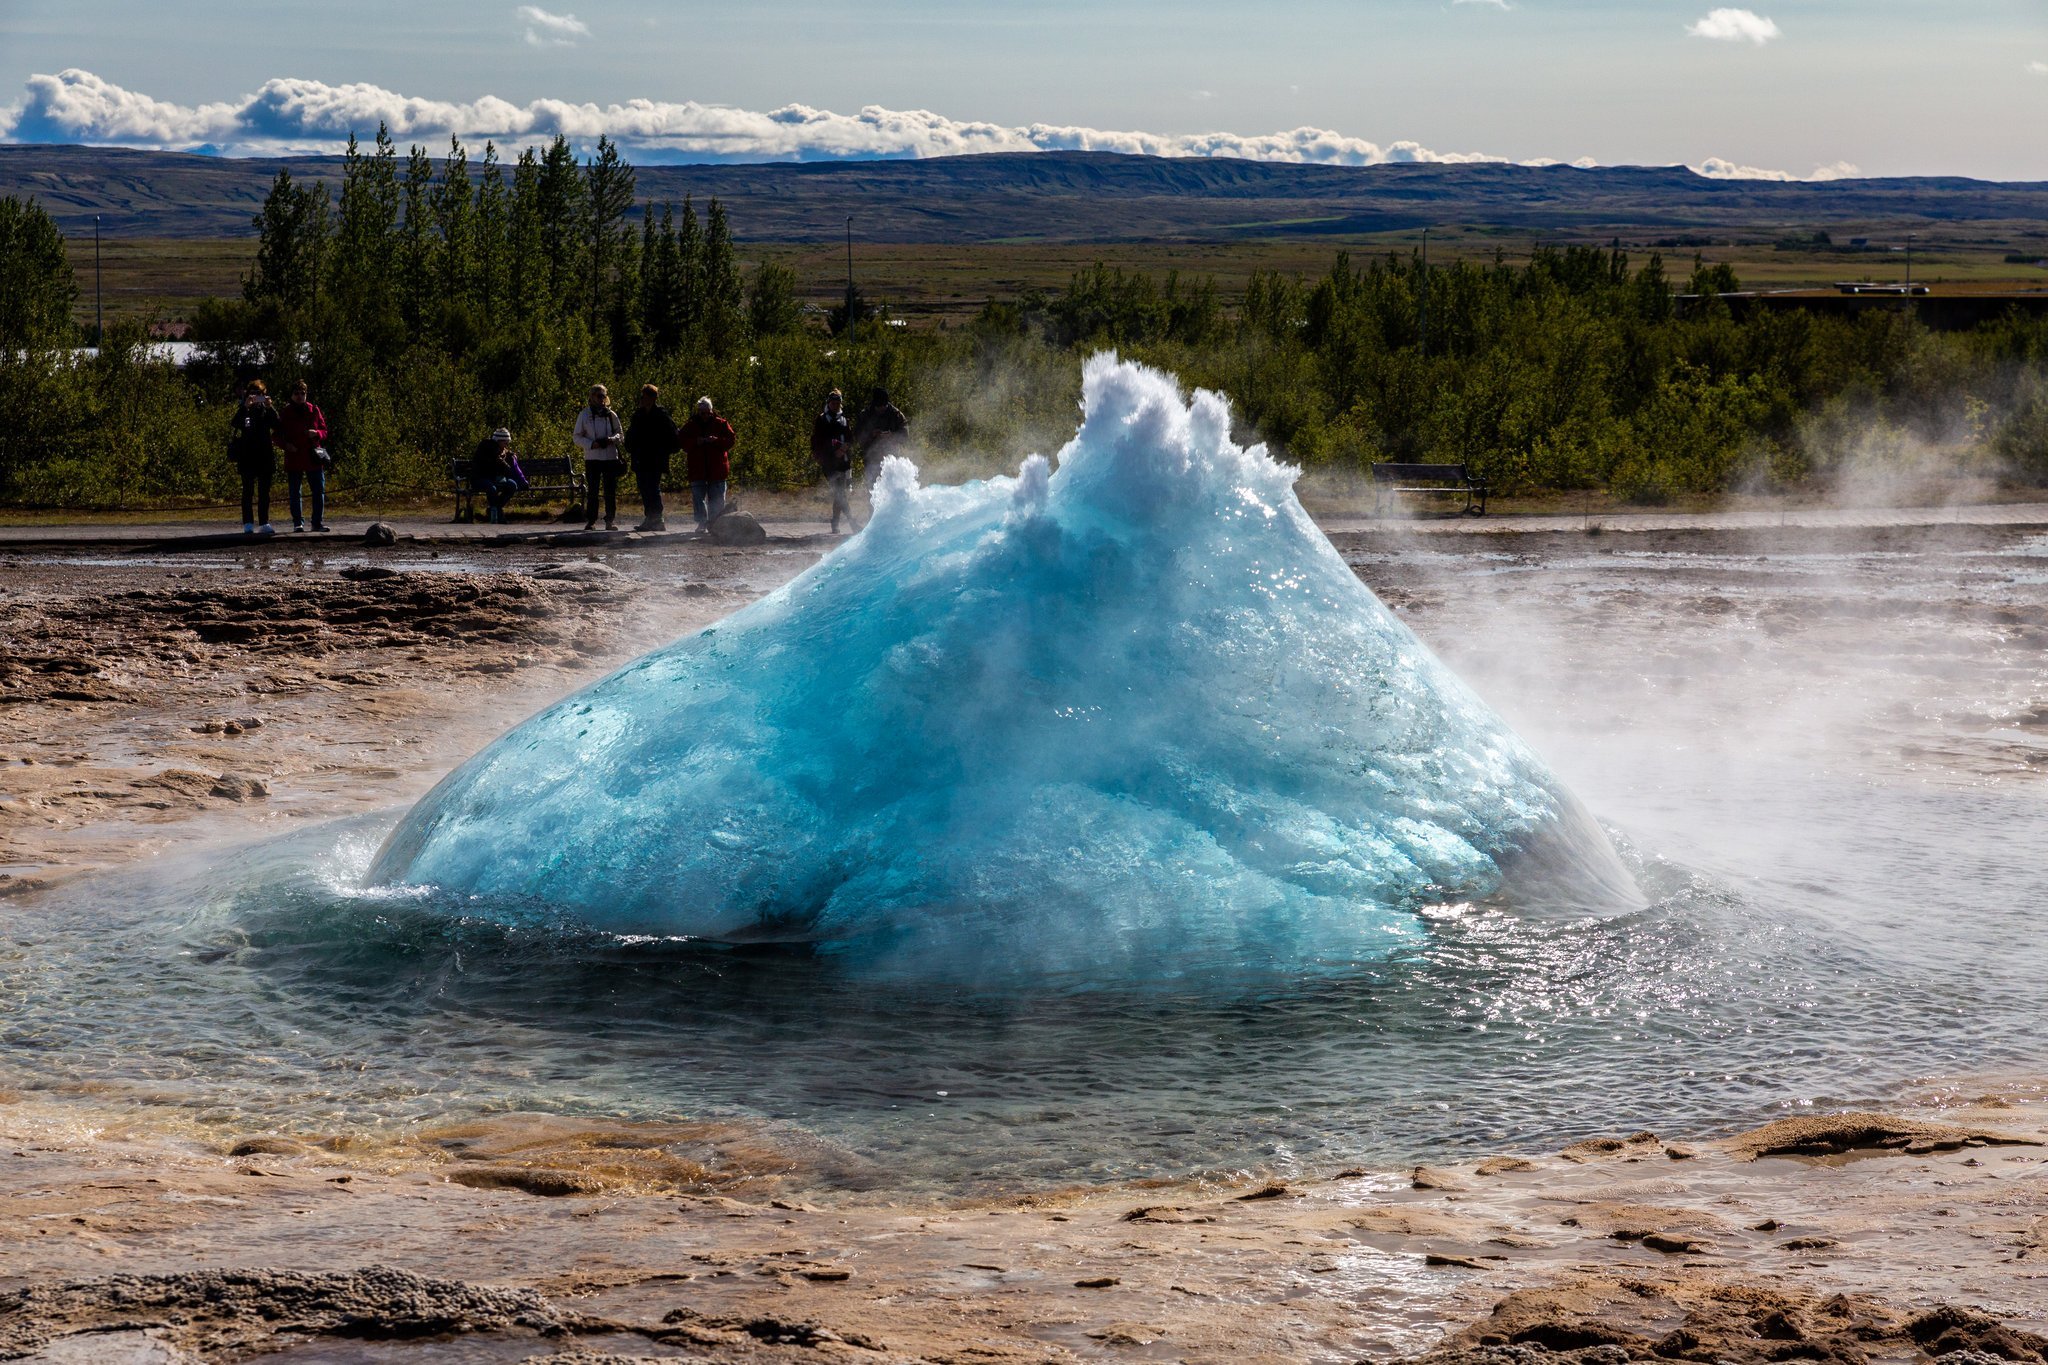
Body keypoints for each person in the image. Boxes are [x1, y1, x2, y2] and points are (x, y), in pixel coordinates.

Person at [226, 379, 281, 535]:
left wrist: (270, 407)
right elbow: (235, 423)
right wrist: (245, 407)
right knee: (247, 491)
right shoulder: (244, 409)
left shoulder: (266, 410)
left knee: (264, 492)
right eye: (253, 394)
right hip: (247, 456)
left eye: (259, 394)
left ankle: (264, 522)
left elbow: (278, 425)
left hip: (264, 456)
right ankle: (248, 522)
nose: (256, 397)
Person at [277, 378, 331, 533]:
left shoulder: (314, 409)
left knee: (318, 491)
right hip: (294, 456)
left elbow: (324, 431)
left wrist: (317, 433)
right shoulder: (286, 412)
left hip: (313, 456)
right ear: (291, 395)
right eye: (297, 393)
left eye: (303, 393)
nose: (300, 396)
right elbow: (276, 435)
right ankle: (298, 523)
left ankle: (317, 523)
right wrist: (286, 446)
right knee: (295, 492)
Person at [624, 383, 680, 532]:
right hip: (640, 458)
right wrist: (630, 447)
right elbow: (631, 435)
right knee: (644, 488)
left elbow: (673, 435)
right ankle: (650, 518)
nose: (641, 399)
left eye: (644, 397)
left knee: (653, 488)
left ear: (652, 398)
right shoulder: (638, 415)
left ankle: (657, 519)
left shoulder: (662, 415)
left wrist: (664, 451)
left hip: (655, 459)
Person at [677, 396, 737, 533]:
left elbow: (731, 440)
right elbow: (681, 441)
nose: (703, 415)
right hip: (697, 470)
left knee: (717, 500)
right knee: (698, 499)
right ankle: (702, 523)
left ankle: (716, 525)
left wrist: (716, 441)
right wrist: (695, 442)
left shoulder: (721, 423)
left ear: (711, 411)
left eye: (706, 412)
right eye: (701, 412)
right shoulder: (690, 425)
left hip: (717, 470)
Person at [572, 383, 625, 531]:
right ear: (592, 397)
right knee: (593, 491)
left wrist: (611, 439)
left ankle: (610, 520)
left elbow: (620, 434)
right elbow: (576, 437)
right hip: (592, 458)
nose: (602, 399)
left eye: (604, 396)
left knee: (610, 491)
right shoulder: (584, 414)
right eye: (599, 396)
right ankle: (591, 521)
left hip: (610, 458)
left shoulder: (611, 414)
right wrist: (591, 444)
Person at [810, 388, 854, 533]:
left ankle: (835, 523)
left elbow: (850, 438)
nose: (835, 405)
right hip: (829, 462)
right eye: (833, 403)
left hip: (843, 461)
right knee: (839, 492)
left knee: (839, 493)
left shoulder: (844, 419)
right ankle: (851, 521)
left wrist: (844, 448)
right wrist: (833, 451)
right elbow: (817, 441)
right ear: (828, 403)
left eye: (837, 403)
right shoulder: (822, 419)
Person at [852, 387, 908, 487]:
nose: (880, 408)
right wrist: (871, 434)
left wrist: (892, 436)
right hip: (871, 458)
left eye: (883, 405)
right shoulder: (865, 415)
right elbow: (857, 435)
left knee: (891, 488)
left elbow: (905, 434)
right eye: (878, 406)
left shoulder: (896, 414)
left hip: (891, 458)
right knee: (872, 488)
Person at [470, 427, 525, 524]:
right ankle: (496, 513)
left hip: (496, 479)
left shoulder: (502, 451)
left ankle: (495, 508)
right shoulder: (486, 448)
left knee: (512, 485)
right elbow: (484, 466)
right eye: (505, 442)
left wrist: (510, 458)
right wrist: (499, 462)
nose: (507, 445)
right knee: (492, 488)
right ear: (498, 441)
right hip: (480, 478)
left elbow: (506, 469)